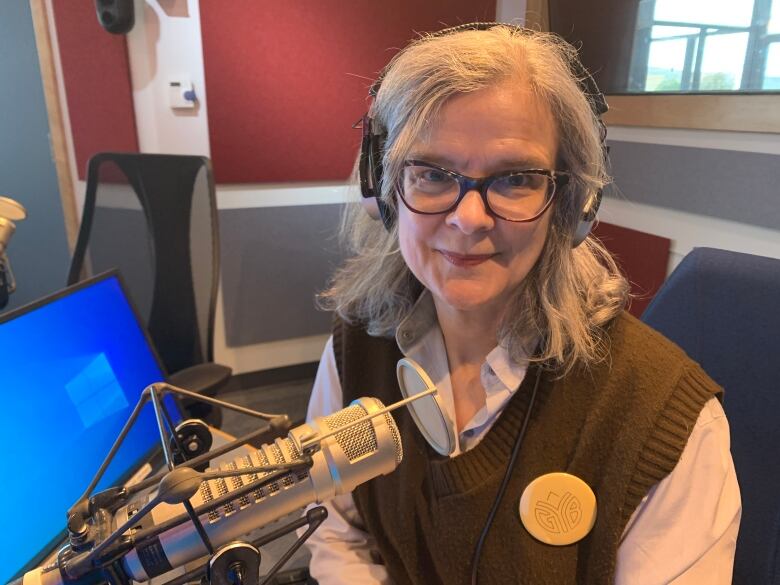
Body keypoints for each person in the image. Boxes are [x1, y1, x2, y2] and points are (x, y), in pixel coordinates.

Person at [303, 24, 740, 584]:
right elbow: (336, 528)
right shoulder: (356, 346)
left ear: (570, 204)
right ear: (384, 189)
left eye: (514, 179)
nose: (469, 219)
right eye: (433, 174)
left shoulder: (664, 418)